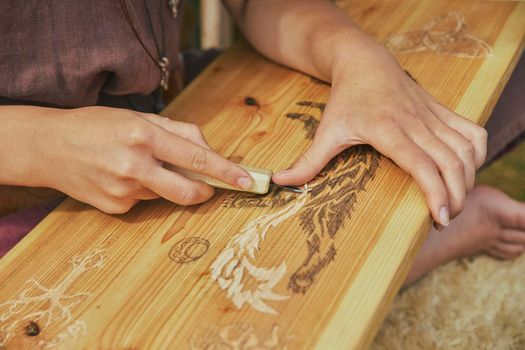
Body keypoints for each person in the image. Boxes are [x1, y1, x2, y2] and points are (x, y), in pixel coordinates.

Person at [1, 1, 524, 285]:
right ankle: (407, 255)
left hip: (176, 115)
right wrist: (43, 144)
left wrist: (358, 61)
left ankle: (387, 254)